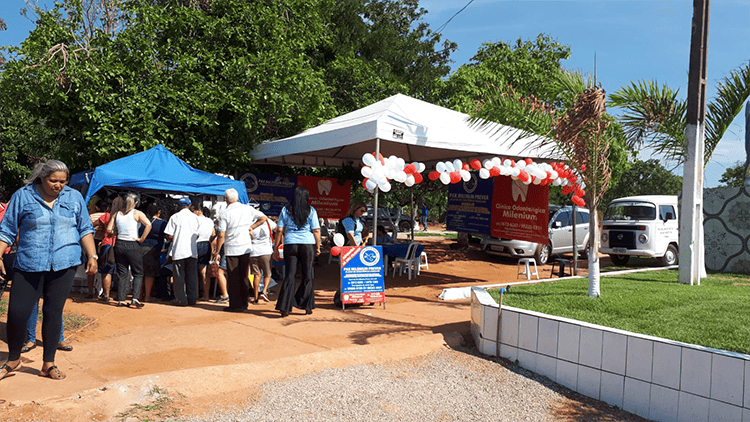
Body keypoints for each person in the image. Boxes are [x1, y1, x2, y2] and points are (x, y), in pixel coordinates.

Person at [0, 159, 97, 381]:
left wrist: (92, 255)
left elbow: (84, 228)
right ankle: (13, 359)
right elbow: (7, 229)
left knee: (53, 312)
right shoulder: (23, 196)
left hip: (64, 264)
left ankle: (48, 363)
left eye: (63, 181)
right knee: (17, 313)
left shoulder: (74, 197)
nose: (58, 185)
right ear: (42, 178)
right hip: (29, 263)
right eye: (54, 181)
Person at [213, 189, 267, 312]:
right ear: (237, 198)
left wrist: (217, 251)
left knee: (233, 277)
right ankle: (244, 303)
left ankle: (235, 305)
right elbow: (263, 218)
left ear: (226, 200)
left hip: (232, 248)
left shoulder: (225, 213)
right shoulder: (247, 209)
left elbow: (221, 235)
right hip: (245, 247)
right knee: (243, 276)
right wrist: (251, 227)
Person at [272, 186, 321, 317]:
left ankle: (285, 308)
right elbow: (316, 230)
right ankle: (307, 306)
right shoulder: (311, 210)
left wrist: (276, 247)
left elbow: (279, 230)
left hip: (290, 243)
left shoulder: (286, 210)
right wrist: (318, 246)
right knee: (307, 274)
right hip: (307, 244)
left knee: (290, 275)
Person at [108, 193, 151, 308]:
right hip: (133, 244)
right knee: (138, 272)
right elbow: (148, 225)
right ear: (135, 203)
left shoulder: (117, 214)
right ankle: (135, 298)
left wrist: (118, 232)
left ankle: (121, 299)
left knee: (122, 273)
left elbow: (109, 229)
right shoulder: (137, 213)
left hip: (120, 244)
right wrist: (142, 238)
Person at [164, 197, 200, 306]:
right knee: (192, 277)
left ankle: (181, 299)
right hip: (192, 251)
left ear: (179, 206)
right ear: (189, 205)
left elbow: (169, 235)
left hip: (178, 251)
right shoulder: (195, 217)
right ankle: (192, 299)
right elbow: (198, 235)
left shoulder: (174, 217)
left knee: (179, 277)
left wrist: (177, 239)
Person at [140, 203, 167, 302]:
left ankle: (139, 295)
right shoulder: (162, 223)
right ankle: (147, 296)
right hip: (154, 249)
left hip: (141, 247)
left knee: (140, 272)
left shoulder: (142, 222)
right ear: (159, 212)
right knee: (150, 273)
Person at [96, 197, 121, 303]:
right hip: (121, 244)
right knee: (121, 270)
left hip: (108, 244)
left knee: (106, 271)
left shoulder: (107, 216)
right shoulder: (126, 217)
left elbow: (94, 223)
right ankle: (120, 294)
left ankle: (106, 295)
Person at [250, 214, 276, 303]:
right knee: (267, 274)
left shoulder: (250, 222)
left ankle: (255, 297)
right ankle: (264, 291)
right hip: (266, 251)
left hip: (253, 251)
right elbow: (277, 229)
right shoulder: (268, 221)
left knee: (256, 275)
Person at [193, 203, 216, 301]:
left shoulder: (194, 220)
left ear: (198, 210)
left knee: (192, 271)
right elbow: (213, 234)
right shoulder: (209, 220)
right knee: (204, 272)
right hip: (206, 244)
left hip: (195, 244)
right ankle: (206, 295)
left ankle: (194, 294)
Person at [86, 199, 108, 299]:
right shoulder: (109, 216)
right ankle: (105, 292)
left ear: (96, 207)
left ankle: (90, 291)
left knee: (91, 267)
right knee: (105, 269)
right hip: (104, 243)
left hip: (93, 243)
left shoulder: (91, 216)